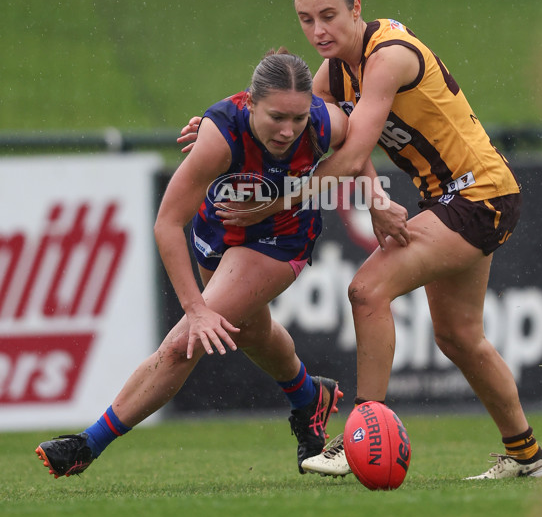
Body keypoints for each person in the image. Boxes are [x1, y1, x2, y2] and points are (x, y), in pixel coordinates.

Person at [205, 0, 542, 481]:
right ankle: (528, 458)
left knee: (367, 290)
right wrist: (214, 122)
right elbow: (291, 122)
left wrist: (273, 205)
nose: (319, 30)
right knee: (458, 336)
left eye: (329, 16)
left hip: (480, 195)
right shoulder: (330, 74)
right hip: (454, 198)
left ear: (356, 9)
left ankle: (362, 432)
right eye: (306, 19)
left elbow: (347, 158)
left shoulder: (386, 58)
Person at [35, 49, 353, 479]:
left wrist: (377, 200)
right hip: (218, 233)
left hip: (282, 240)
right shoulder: (220, 134)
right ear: (250, 102)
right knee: (251, 332)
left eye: (297, 119)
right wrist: (195, 307)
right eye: (277, 116)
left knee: (185, 343)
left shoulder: (325, 122)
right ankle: (308, 396)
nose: (288, 130)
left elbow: (358, 147)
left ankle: (87, 444)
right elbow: (167, 223)